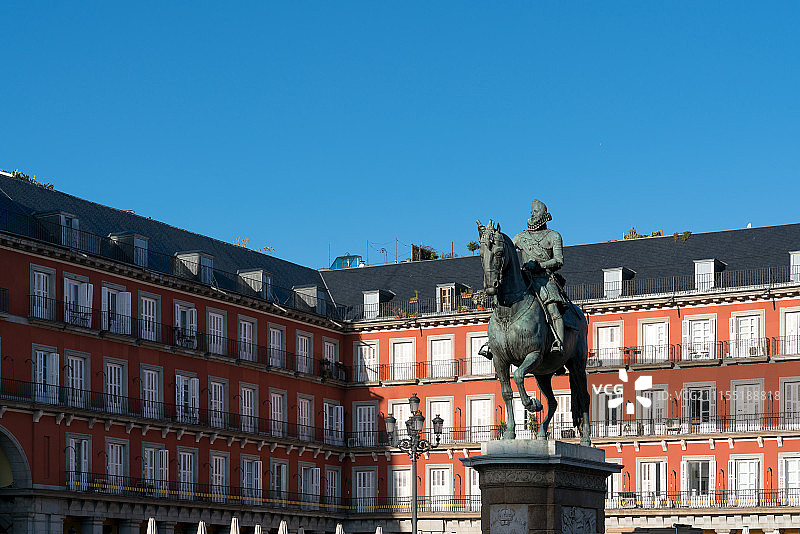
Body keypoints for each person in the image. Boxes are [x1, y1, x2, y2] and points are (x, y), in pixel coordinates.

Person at [512, 199, 567, 355]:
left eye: (535, 212)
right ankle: (493, 342)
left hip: (544, 278)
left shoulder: (553, 236)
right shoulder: (521, 237)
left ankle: (559, 344)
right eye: (531, 212)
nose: (532, 215)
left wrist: (539, 265)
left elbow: (558, 260)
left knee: (553, 309)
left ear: (544, 215)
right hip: (524, 278)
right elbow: (508, 249)